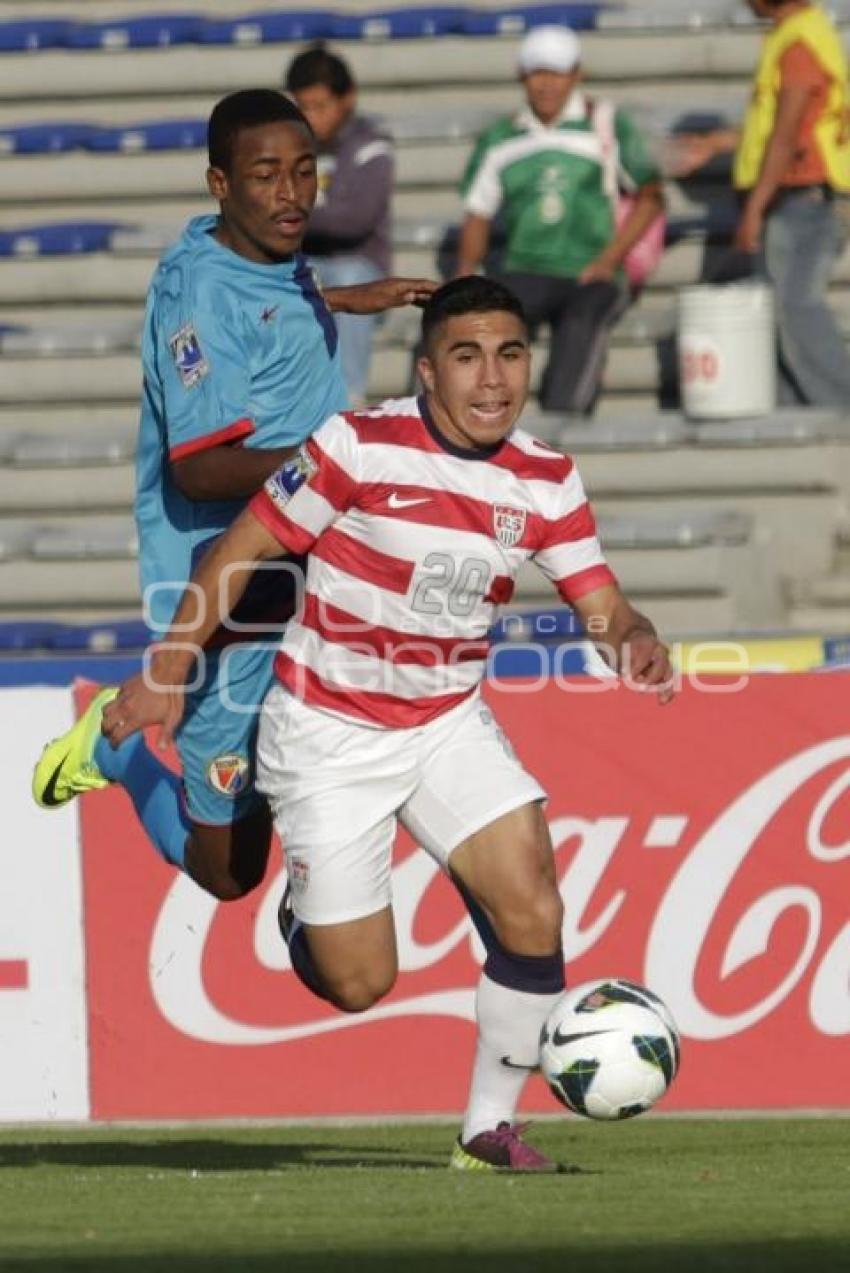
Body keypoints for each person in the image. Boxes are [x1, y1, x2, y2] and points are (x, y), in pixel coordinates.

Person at [102, 276, 674, 1172]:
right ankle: (302, 903)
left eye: (511, 354)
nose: (493, 379)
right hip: (328, 731)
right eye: (467, 356)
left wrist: (633, 639)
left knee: (532, 898)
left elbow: (601, 605)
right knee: (361, 982)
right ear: (427, 371)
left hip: (446, 720)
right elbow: (242, 546)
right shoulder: (358, 447)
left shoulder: (547, 477)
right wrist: (167, 670)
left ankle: (488, 1131)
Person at [32, 89, 434, 902]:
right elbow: (202, 467)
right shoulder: (201, 298)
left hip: (307, 561)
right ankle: (118, 752)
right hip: (227, 588)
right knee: (230, 871)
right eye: (265, 176)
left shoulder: (263, 255)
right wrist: (344, 454)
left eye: (303, 171)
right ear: (220, 184)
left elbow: (271, 309)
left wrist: (348, 298)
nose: (291, 195)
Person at [455, 24, 664, 416]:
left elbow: (651, 198)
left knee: (582, 320)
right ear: (522, 75)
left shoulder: (605, 124)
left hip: (591, 270)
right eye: (537, 73)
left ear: (576, 75)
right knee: (479, 320)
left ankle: (563, 426)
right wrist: (465, 273)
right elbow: (477, 213)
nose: (546, 85)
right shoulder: (501, 137)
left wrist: (609, 260)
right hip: (524, 268)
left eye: (557, 73)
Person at [673, 1, 850, 406]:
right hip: (797, 197)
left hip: (803, 199)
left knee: (796, 307)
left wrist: (753, 210)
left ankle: (842, 411)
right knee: (776, 317)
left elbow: (786, 136)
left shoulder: (797, 44)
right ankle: (793, 418)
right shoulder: (803, 32)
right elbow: (781, 126)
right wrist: (719, 143)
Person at [285, 43, 394, 406]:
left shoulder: (372, 146)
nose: (311, 116)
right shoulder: (286, 146)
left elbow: (354, 220)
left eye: (320, 106)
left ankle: (349, 397)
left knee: (350, 277)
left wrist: (292, 214)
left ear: (347, 99)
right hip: (303, 265)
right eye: (303, 106)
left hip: (361, 267)